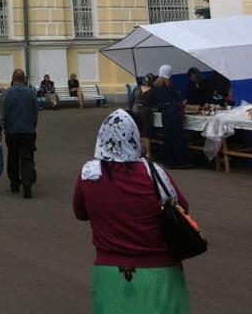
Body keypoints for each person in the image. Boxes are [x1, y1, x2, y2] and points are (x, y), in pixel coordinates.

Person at [73, 109, 191, 313]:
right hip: (160, 273)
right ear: (134, 136)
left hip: (111, 273)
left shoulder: (89, 174)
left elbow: (80, 213)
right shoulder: (154, 173)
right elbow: (183, 208)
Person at [0, 68, 39, 198]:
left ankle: (15, 183)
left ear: (13, 78)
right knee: (27, 158)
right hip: (28, 131)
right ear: (24, 79)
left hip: (12, 131)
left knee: (12, 156)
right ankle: (27, 182)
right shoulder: (32, 93)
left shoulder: (5, 94)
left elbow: (1, 114)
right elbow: (35, 111)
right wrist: (34, 125)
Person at [152, 64, 190, 169]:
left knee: (167, 137)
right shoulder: (170, 84)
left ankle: (169, 162)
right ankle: (181, 162)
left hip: (164, 114)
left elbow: (156, 100)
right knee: (177, 137)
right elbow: (177, 98)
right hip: (174, 113)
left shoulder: (156, 85)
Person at [130, 74, 156, 145]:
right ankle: (148, 153)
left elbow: (131, 100)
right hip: (145, 112)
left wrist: (131, 108)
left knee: (137, 130)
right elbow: (154, 103)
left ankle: (138, 149)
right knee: (146, 132)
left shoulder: (137, 88)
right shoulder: (153, 90)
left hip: (135, 110)